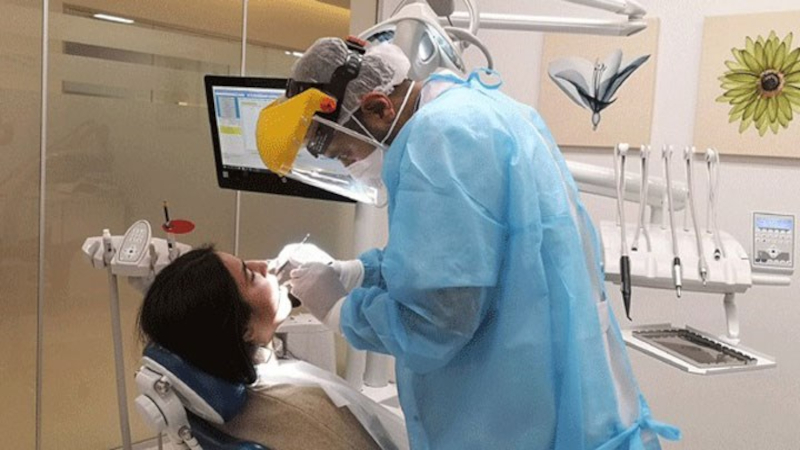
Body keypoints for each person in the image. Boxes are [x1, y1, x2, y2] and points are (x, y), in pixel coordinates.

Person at [283, 38, 681, 450]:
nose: (352, 168)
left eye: (346, 155)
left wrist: (339, 311)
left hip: (519, 415)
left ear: (379, 108)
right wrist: (361, 273)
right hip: (565, 390)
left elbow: (437, 320)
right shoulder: (483, 111)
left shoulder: (438, 138)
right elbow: (456, 256)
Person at [137, 245, 408, 450]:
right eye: (250, 275)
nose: (263, 265)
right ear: (244, 330)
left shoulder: (230, 395)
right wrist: (340, 309)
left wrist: (356, 271)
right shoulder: (305, 415)